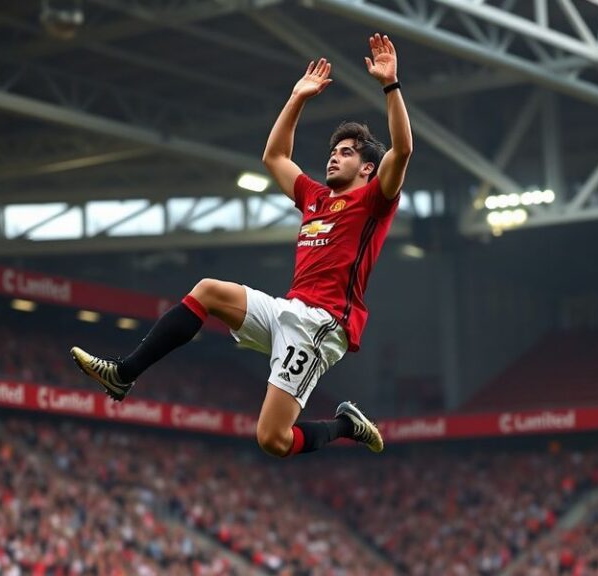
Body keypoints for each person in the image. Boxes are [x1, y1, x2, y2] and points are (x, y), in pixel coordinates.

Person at [71, 33, 412, 457]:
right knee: (207, 291)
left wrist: (390, 85)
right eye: (333, 151)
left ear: (367, 169)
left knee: (272, 439)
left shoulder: (375, 200)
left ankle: (346, 425)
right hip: (288, 308)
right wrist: (297, 98)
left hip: (320, 325)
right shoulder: (315, 197)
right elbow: (274, 157)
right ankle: (124, 374)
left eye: (345, 153)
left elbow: (403, 149)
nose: (333, 157)